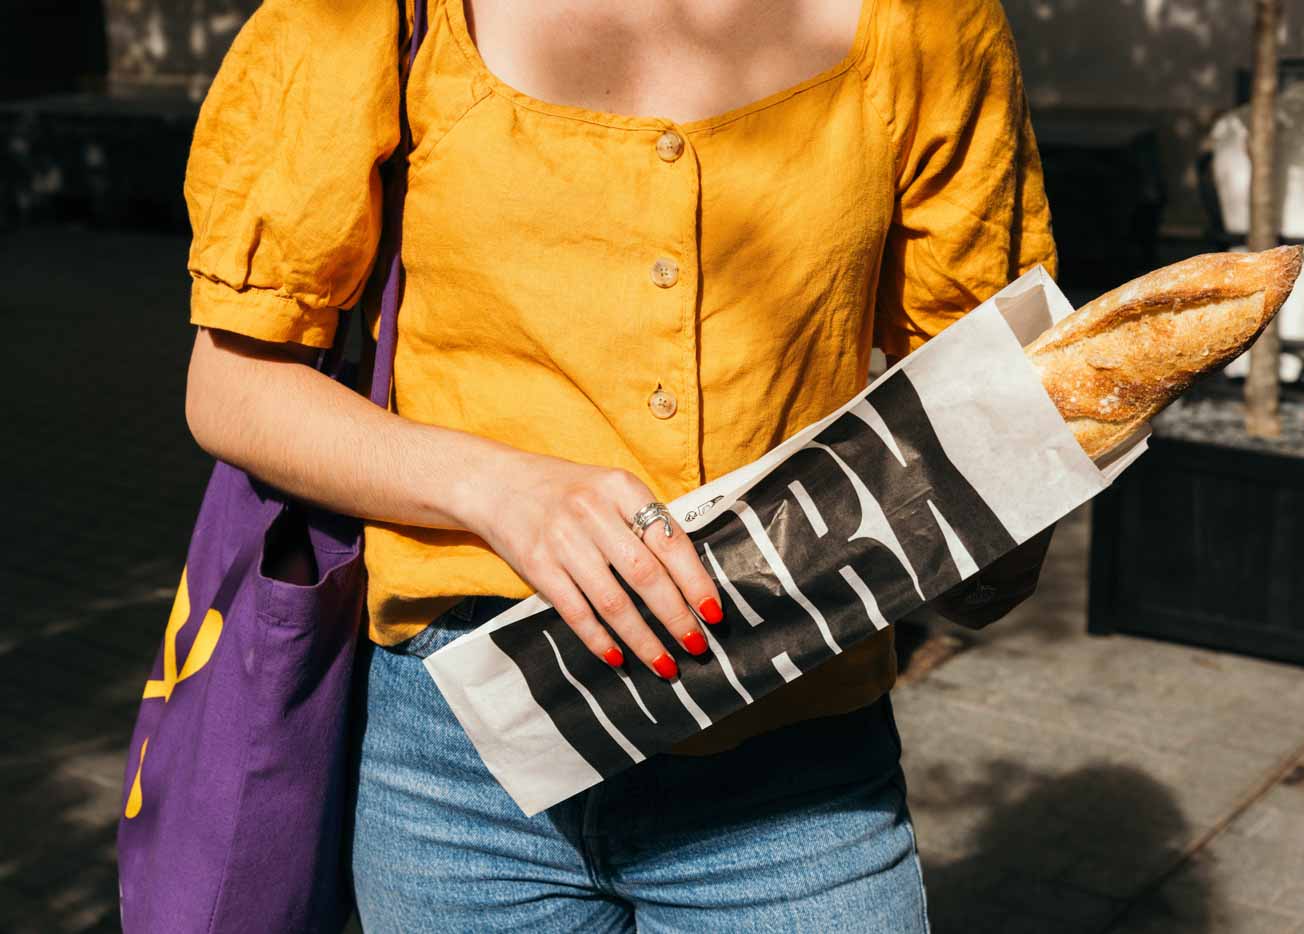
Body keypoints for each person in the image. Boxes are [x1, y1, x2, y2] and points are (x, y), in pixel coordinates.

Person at [182, 0, 1058, 929]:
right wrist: (498, 488)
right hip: (459, 776)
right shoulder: (379, 15)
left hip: (791, 775)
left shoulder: (927, 21)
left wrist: (990, 523)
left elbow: (991, 387)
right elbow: (235, 388)